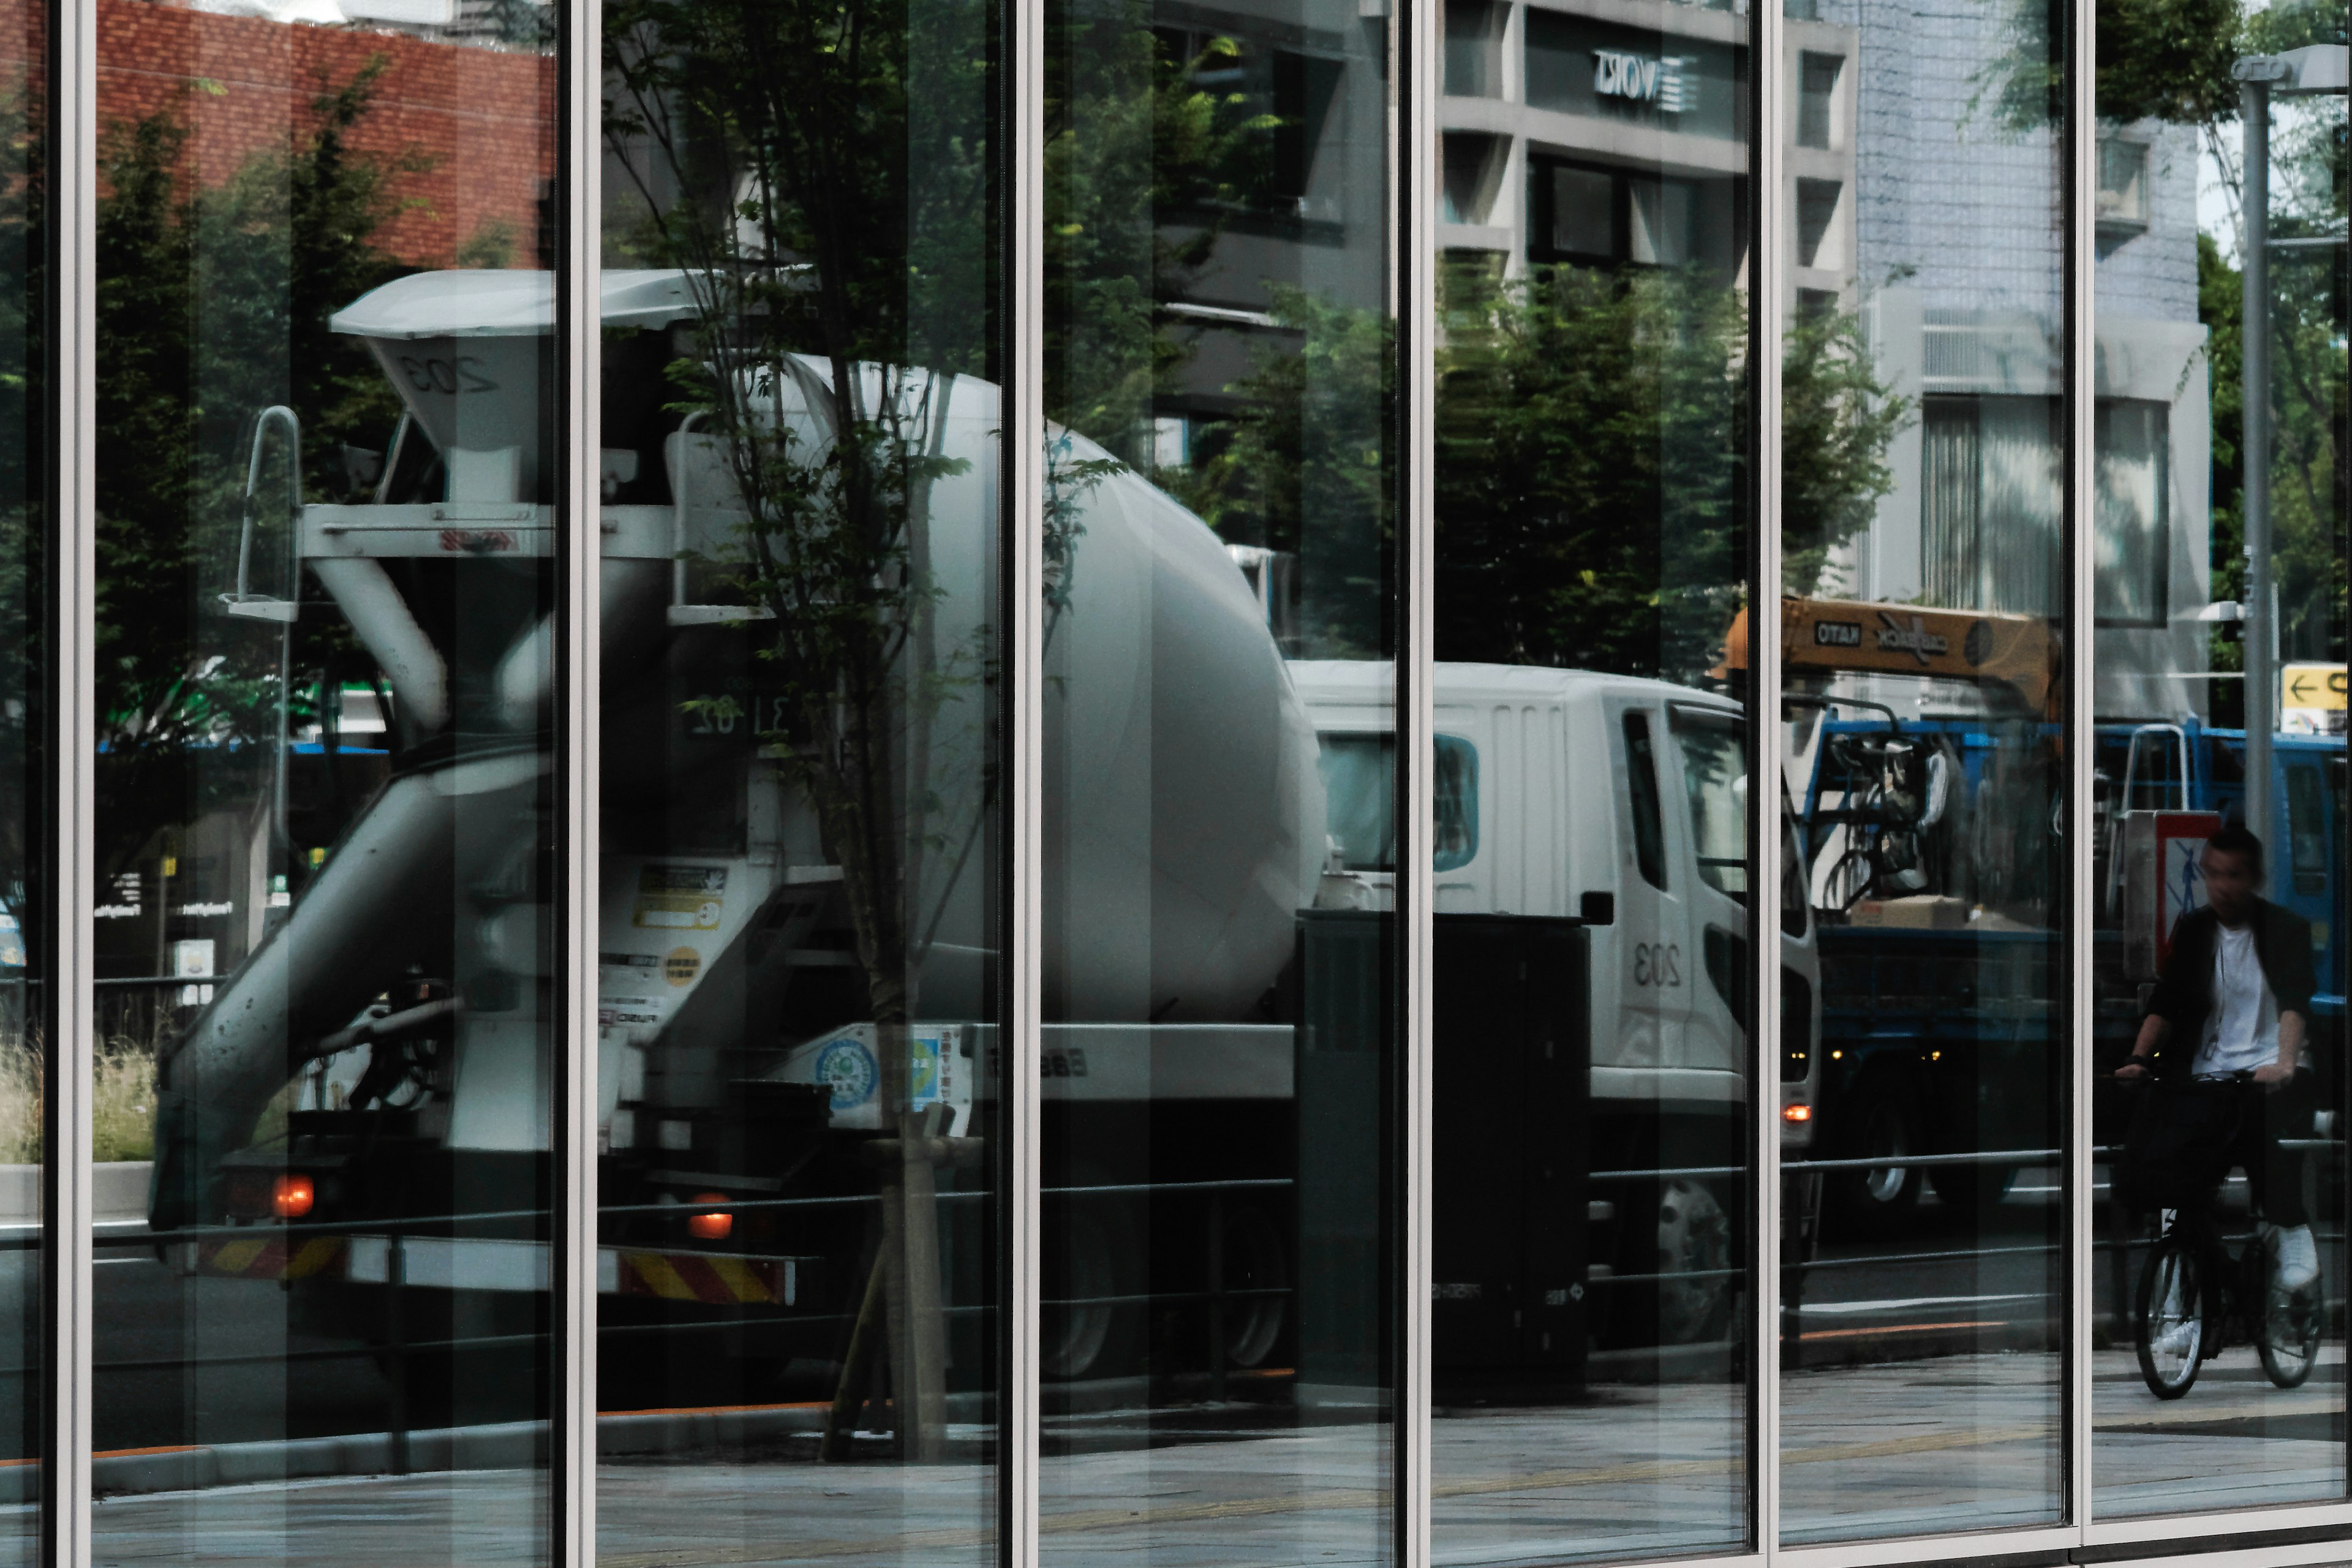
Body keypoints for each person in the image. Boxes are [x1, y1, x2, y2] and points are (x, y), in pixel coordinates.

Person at [2116, 824, 2320, 1291]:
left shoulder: (2286, 929)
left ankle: (2293, 1233)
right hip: (2211, 1074)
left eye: (2233, 875)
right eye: (2212, 875)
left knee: (2256, 1126)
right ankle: (2177, 1297)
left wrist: (2285, 1062)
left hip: (2272, 1069)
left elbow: (2295, 1002)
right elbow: (2167, 1004)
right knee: (2173, 1166)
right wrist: (2139, 1059)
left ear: (2254, 879)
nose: (2221, 887)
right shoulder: (2195, 931)